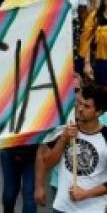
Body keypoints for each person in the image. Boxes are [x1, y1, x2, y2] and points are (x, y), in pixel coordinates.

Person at [36, 83, 107, 211]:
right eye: (79, 103)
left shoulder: (106, 137)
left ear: (99, 112)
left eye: (86, 106)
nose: (80, 108)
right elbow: (47, 163)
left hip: (92, 209)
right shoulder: (66, 129)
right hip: (62, 206)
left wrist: (85, 194)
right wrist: (63, 139)